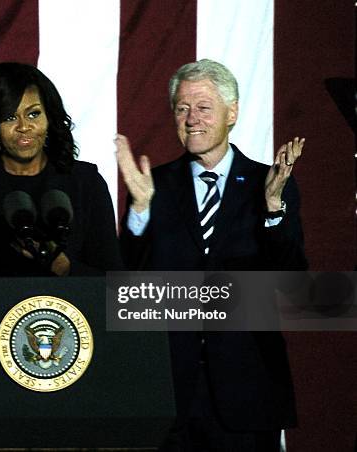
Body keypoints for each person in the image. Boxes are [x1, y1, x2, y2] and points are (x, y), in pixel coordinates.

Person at [116, 59, 307, 451]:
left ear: (231, 112)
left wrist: (272, 208)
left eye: (203, 107)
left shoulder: (268, 185)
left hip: (247, 394)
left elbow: (293, 288)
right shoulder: (153, 187)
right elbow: (127, 287)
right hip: (167, 398)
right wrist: (138, 213)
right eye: (182, 108)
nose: (191, 119)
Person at [0, 62, 122, 277]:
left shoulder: (86, 183)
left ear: (50, 117)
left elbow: (115, 289)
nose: (23, 126)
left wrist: (65, 268)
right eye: (10, 117)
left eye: (33, 114)